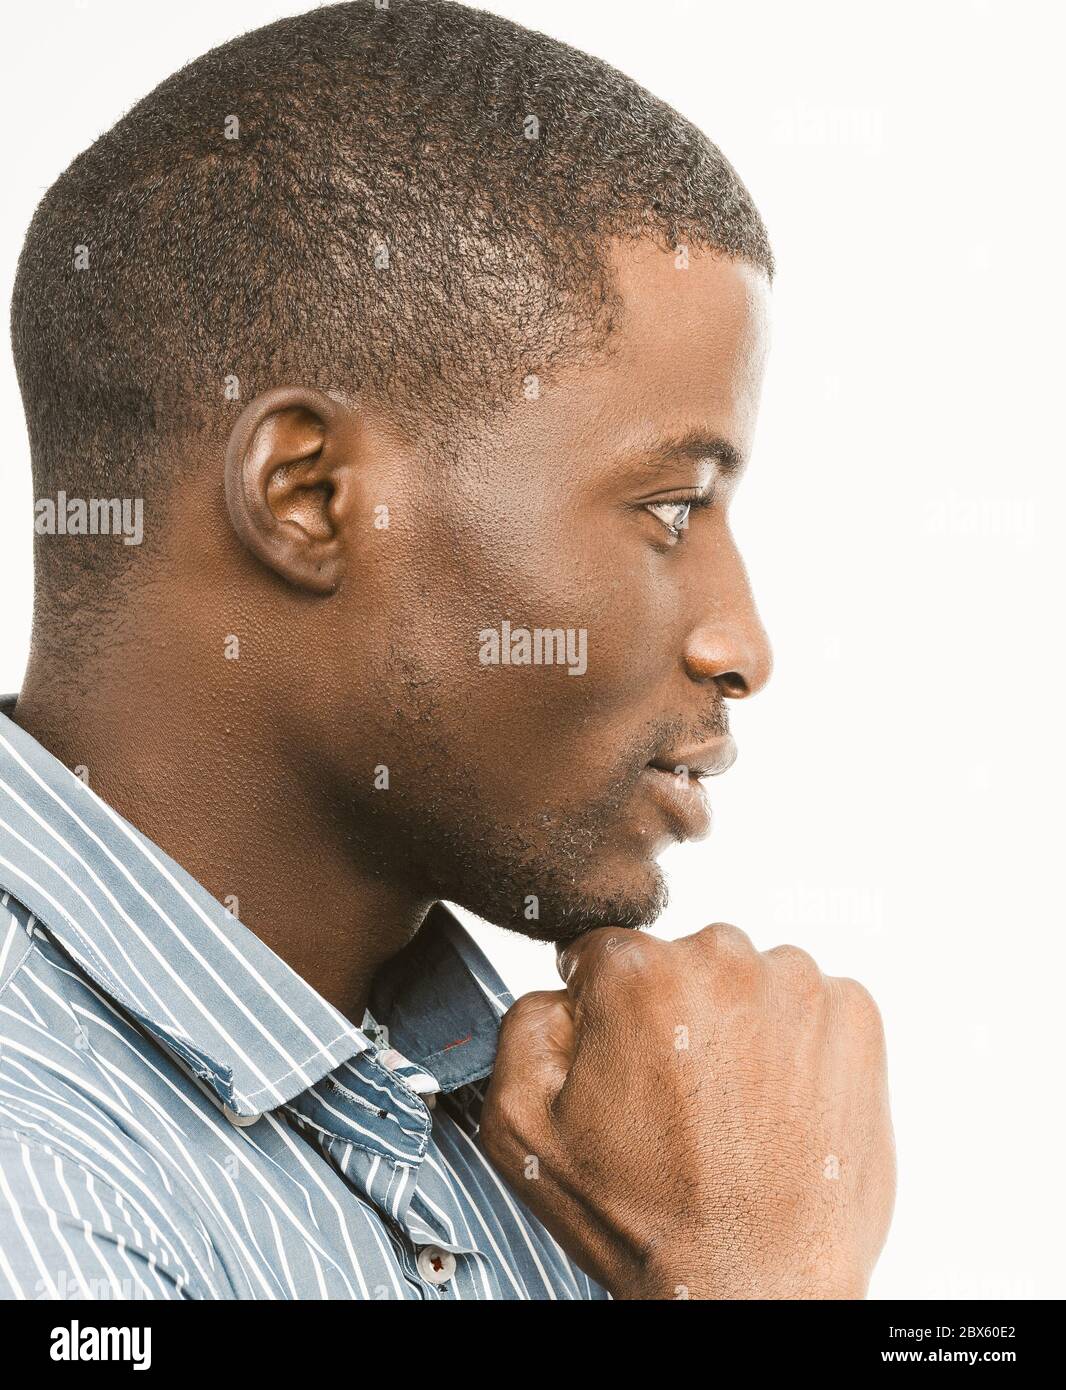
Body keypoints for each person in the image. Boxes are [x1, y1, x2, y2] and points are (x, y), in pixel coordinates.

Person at [0, 0, 894, 1299]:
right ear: (308, 497)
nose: (739, 643)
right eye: (665, 509)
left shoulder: (608, 1135)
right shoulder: (45, 1183)